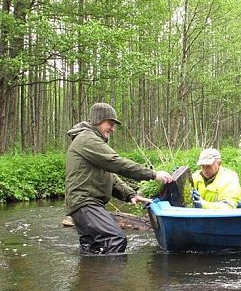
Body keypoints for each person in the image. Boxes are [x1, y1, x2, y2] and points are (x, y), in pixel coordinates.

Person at [65, 102, 173, 254]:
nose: (113, 129)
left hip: (85, 205)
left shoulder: (91, 140)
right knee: (115, 239)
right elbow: (117, 163)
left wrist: (130, 194)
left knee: (93, 248)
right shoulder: (87, 140)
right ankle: (109, 278)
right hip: (85, 204)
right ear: (98, 120)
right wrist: (153, 174)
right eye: (110, 123)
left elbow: (110, 175)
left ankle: (89, 276)